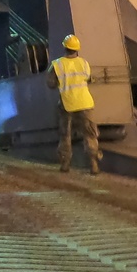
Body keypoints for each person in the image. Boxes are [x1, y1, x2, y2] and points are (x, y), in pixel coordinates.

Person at [47, 34, 101, 175]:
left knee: (65, 134)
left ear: (65, 47)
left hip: (67, 104)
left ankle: (65, 164)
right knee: (90, 134)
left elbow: (50, 84)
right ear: (77, 49)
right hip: (85, 103)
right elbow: (88, 79)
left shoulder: (57, 64)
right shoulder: (84, 63)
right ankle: (94, 165)